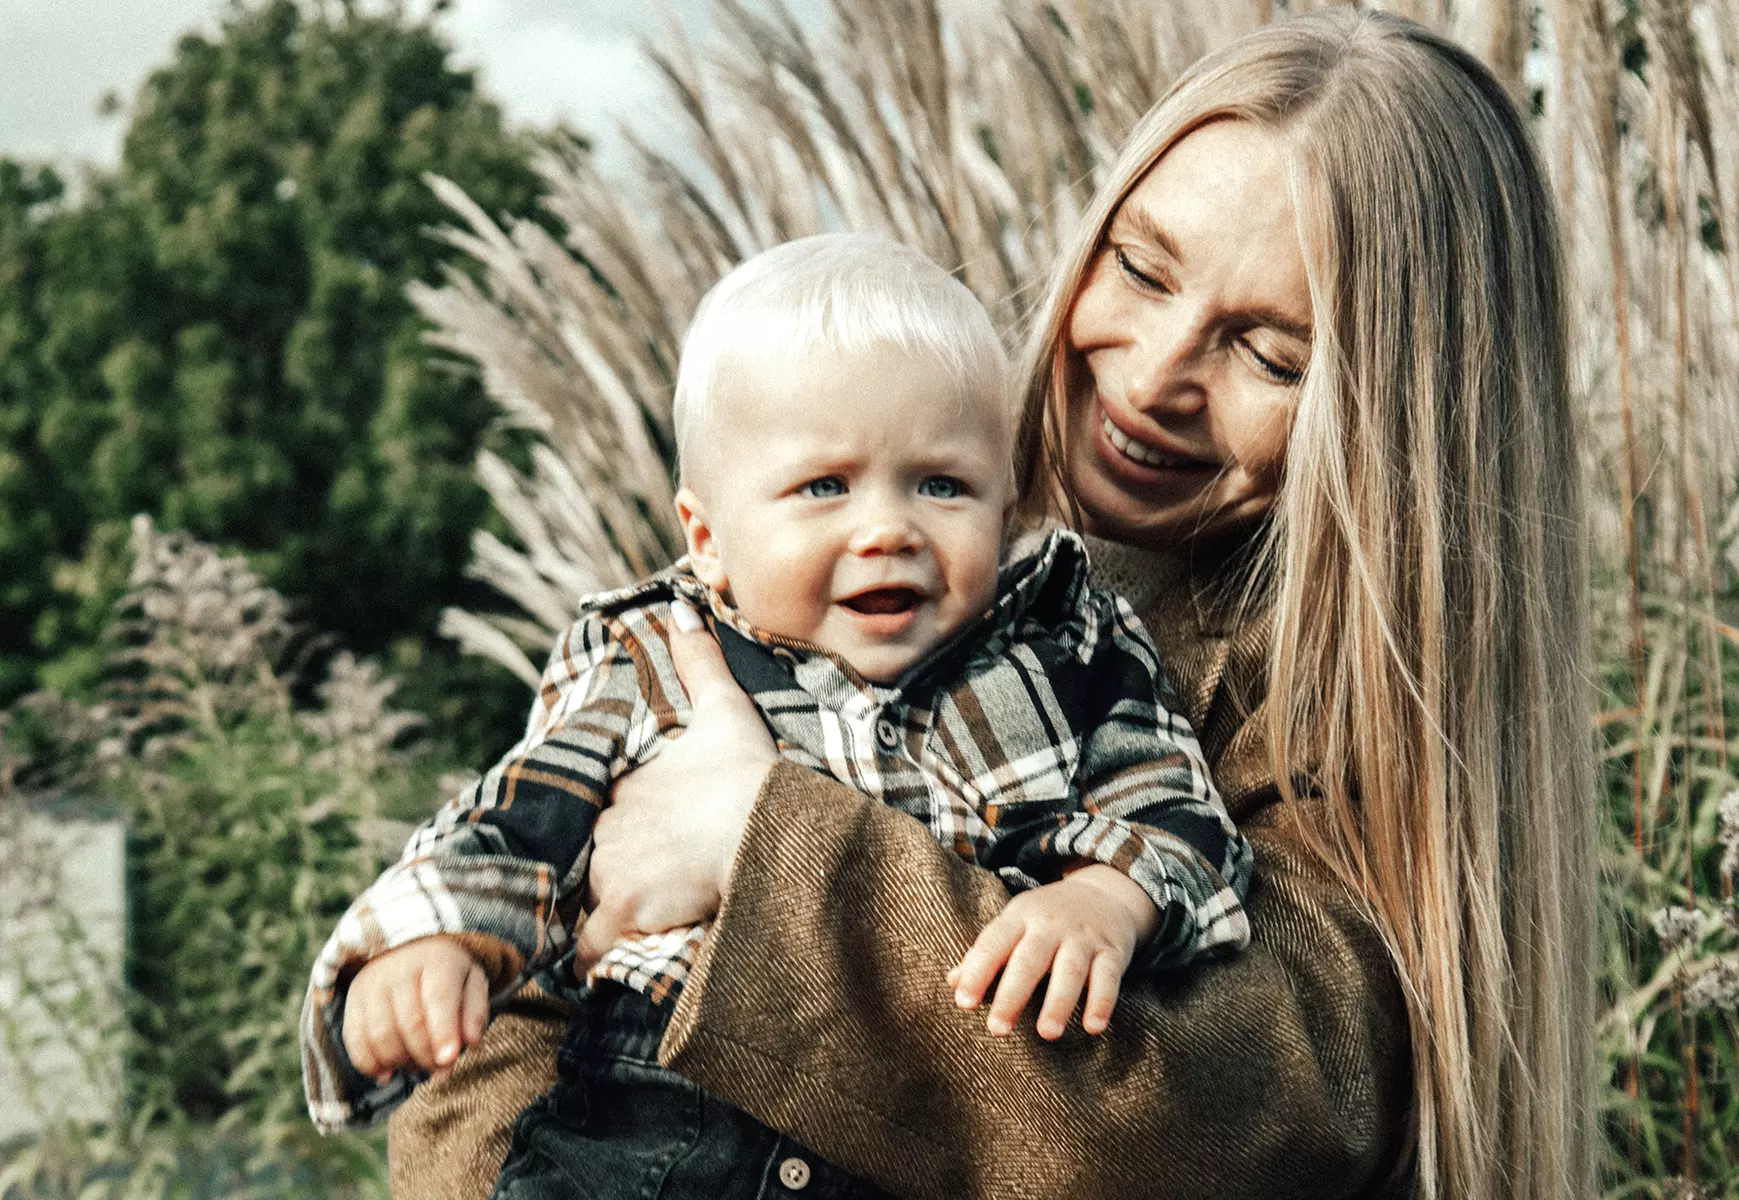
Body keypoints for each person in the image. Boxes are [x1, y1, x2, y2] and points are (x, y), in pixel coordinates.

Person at [392, 8, 1597, 1199]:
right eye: (1140, 266)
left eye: (1269, 354)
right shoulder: (857, 544)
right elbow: (498, 1014)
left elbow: (1211, 1122)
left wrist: (760, 844)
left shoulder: (1356, 731)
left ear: (1406, 420)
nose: (1153, 372)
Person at [301, 234, 1255, 1195]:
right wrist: (433, 941)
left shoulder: (1070, 643)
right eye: (824, 487)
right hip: (656, 1123)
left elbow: (1181, 817)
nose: (886, 528)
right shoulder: (657, 655)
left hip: (915, 1126)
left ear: (1006, 506)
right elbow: (521, 822)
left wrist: (1106, 897)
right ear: (709, 540)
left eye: (941, 484)